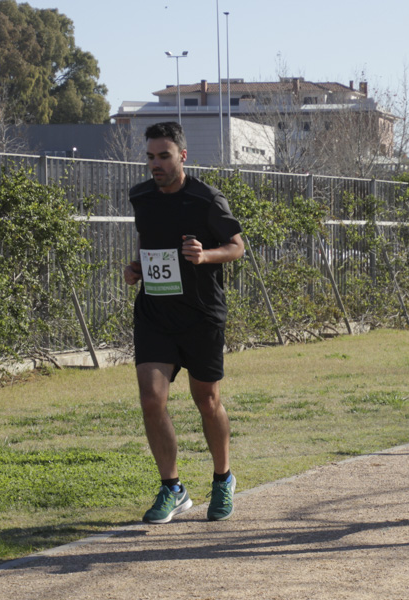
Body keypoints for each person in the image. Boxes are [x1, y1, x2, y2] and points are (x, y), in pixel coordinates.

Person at [124, 122, 245, 524]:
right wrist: (138, 268)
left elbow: (237, 247)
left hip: (201, 315)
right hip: (155, 313)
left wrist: (204, 256)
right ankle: (172, 488)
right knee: (151, 400)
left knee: (206, 401)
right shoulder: (140, 196)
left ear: (182, 157)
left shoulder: (207, 199)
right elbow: (147, 239)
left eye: (164, 156)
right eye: (150, 157)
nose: (155, 165)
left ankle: (223, 479)